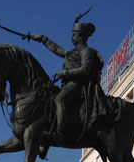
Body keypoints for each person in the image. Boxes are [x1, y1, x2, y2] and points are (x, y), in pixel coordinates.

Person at [27, 13, 108, 145]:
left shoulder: (86, 52)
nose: (72, 37)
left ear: (81, 36)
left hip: (78, 85)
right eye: (72, 34)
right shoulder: (71, 52)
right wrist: (41, 38)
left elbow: (85, 70)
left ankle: (59, 134)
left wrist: (65, 73)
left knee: (60, 99)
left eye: (74, 34)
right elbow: (56, 49)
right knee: (48, 100)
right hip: (68, 84)